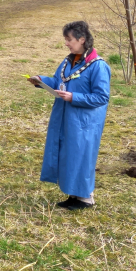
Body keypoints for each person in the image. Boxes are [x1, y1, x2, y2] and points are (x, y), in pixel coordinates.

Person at [28, 21, 111, 211]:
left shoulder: (98, 66)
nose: (66, 43)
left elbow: (101, 97)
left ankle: (85, 198)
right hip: (65, 117)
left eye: (69, 39)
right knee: (68, 154)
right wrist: (41, 81)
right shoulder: (68, 61)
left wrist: (74, 97)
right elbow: (58, 81)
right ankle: (74, 194)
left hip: (84, 122)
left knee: (81, 156)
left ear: (82, 40)